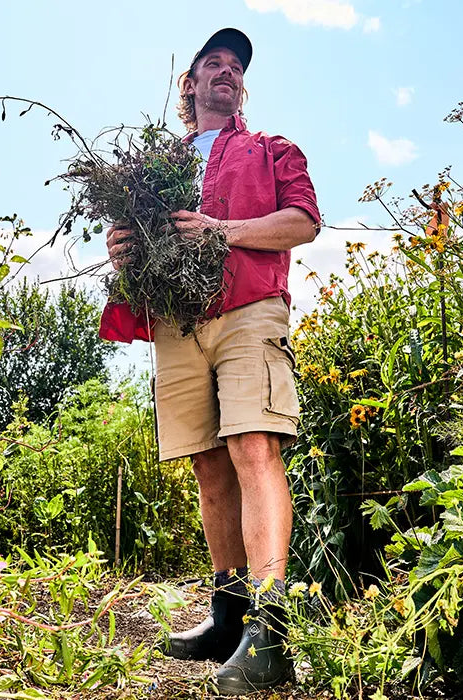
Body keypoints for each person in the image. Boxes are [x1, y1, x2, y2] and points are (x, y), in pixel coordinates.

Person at [100, 27, 321, 695]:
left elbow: (304, 221)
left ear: (240, 88)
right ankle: (228, 617)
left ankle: (272, 631)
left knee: (254, 446)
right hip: (177, 319)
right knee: (207, 463)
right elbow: (139, 239)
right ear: (189, 84)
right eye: (213, 64)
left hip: (251, 308)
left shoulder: (270, 149)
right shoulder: (151, 168)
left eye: (235, 67)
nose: (227, 72)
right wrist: (123, 248)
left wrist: (223, 230)